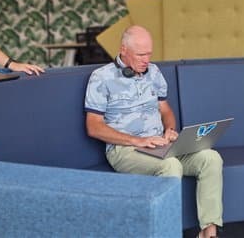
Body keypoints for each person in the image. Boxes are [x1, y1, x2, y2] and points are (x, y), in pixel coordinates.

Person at [84, 26, 223, 238]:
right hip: (125, 150)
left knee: (211, 158)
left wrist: (169, 130)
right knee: (170, 165)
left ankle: (208, 233)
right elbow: (93, 126)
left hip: (160, 145)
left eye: (149, 53)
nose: (146, 60)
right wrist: (137, 141)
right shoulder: (101, 78)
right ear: (123, 50)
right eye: (140, 54)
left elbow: (165, 110)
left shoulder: (154, 73)